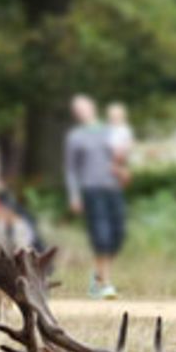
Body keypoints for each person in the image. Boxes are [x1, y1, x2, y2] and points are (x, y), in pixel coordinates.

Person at [65, 94, 124, 298]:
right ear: (76, 114)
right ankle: (105, 283)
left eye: (85, 107)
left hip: (113, 187)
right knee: (101, 234)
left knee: (118, 234)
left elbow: (121, 157)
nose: (82, 112)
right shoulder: (75, 137)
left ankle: (97, 275)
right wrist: (74, 196)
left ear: (93, 107)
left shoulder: (110, 131)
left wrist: (123, 170)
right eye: (78, 110)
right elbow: (71, 169)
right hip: (91, 189)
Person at [106, 102, 134, 188]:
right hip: (109, 156)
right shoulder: (107, 128)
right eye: (113, 115)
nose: (115, 117)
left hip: (121, 156)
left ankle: (119, 188)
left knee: (124, 175)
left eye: (117, 115)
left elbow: (130, 143)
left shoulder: (125, 129)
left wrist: (123, 150)